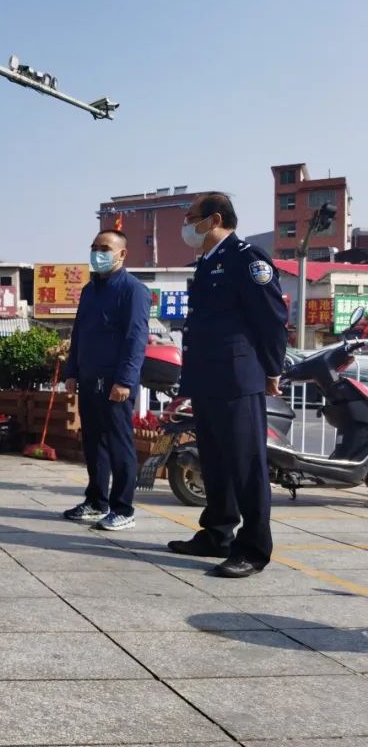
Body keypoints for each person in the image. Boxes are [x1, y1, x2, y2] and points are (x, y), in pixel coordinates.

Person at [168, 192, 287, 578]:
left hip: (238, 377)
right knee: (216, 459)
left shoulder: (247, 259)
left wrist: (271, 370)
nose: (186, 226)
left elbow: (271, 319)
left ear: (214, 218)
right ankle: (217, 533)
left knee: (246, 463)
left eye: (191, 217)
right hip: (208, 376)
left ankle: (252, 548)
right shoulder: (208, 262)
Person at [62, 229, 151, 531]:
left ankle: (123, 508)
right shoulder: (90, 290)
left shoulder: (133, 290)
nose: (98, 253)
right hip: (89, 379)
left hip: (115, 384)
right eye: (94, 247)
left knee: (119, 444)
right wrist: (71, 371)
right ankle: (96, 501)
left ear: (122, 254)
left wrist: (125, 380)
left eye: (105, 248)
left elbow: (135, 338)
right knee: (93, 443)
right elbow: (79, 334)